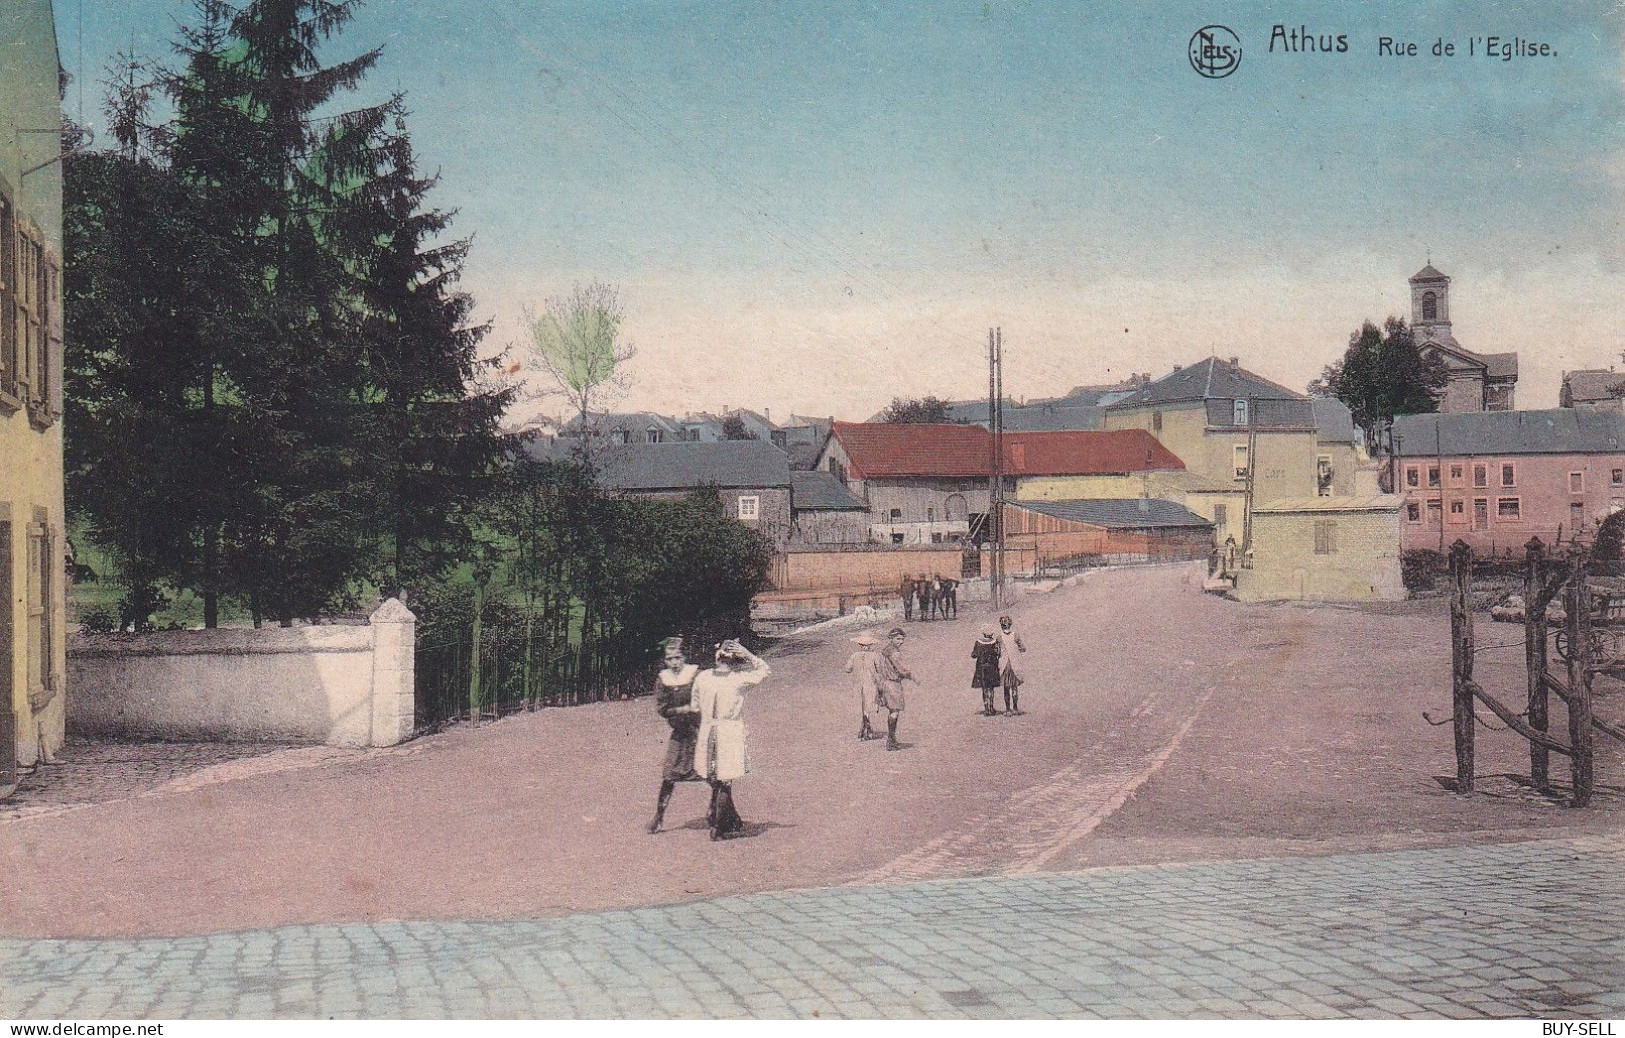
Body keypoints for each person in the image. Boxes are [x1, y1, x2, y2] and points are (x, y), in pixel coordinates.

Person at [693, 638, 771, 840]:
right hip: (729, 732)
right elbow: (765, 670)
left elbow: (695, 706)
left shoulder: (702, 678)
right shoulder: (738, 680)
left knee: (715, 778)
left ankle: (727, 818)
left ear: (716, 657)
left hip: (708, 729)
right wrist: (747, 653)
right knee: (725, 780)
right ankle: (718, 828)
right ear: (734, 660)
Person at [648, 637, 702, 833]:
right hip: (679, 733)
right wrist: (683, 710)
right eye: (670, 659)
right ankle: (659, 815)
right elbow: (663, 709)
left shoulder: (695, 675)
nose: (675, 663)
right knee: (669, 773)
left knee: (712, 771)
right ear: (665, 661)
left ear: (684, 658)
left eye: (678, 658)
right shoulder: (664, 680)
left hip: (698, 730)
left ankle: (719, 811)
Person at [874, 627, 916, 750]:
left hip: (884, 683)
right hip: (893, 684)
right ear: (891, 638)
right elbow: (900, 669)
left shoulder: (884, 651)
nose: (901, 641)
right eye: (898, 639)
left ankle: (892, 739)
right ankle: (891, 741)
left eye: (902, 639)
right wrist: (910, 676)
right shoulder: (895, 653)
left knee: (892, 711)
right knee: (894, 712)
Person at [845, 632, 885, 740]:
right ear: (870, 645)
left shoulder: (854, 656)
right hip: (871, 684)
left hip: (858, 684)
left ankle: (865, 729)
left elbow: (847, 669)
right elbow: (880, 669)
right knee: (868, 706)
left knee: (863, 706)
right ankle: (867, 729)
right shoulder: (875, 656)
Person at [997, 614, 1028, 715]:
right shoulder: (1015, 635)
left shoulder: (999, 637)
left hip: (1004, 665)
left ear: (1001, 625)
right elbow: (1023, 648)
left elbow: (997, 651)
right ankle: (1015, 708)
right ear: (1010, 624)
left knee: (1006, 688)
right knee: (1014, 687)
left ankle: (1007, 709)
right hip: (1014, 664)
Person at [971, 626, 1002, 717]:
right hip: (992, 667)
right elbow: (998, 653)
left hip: (981, 667)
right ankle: (991, 707)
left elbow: (974, 655)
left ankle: (986, 708)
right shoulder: (995, 642)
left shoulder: (978, 642)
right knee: (991, 688)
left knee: (984, 688)